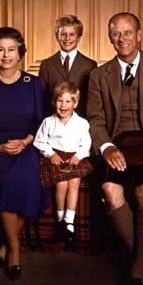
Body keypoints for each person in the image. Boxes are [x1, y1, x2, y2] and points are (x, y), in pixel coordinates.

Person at [87, 12, 143, 285]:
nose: (122, 39)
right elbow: (95, 120)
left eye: (127, 32)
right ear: (110, 37)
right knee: (110, 190)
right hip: (117, 141)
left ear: (139, 34)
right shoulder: (99, 75)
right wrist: (107, 146)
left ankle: (137, 273)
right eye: (116, 34)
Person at [0, 27, 48, 280]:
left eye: (11, 50)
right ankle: (15, 249)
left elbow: (41, 122)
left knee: (28, 182)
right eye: (0, 49)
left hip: (26, 145)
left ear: (20, 53)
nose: (6, 55)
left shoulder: (34, 83)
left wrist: (26, 142)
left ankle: (5, 247)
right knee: (6, 181)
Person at [33, 81, 93, 251]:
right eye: (60, 101)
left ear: (75, 103)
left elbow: (86, 144)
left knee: (74, 182)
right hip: (56, 156)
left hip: (74, 157)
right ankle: (60, 219)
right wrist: (50, 154)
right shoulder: (48, 122)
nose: (63, 105)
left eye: (68, 101)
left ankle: (69, 221)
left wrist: (78, 156)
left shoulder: (82, 123)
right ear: (53, 102)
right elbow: (40, 141)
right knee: (61, 184)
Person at [39, 14, 97, 117]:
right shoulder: (46, 65)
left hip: (80, 122)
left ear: (78, 38)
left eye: (72, 34)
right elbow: (42, 99)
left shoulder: (90, 65)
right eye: (63, 34)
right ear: (57, 36)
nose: (67, 38)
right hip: (53, 123)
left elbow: (92, 100)